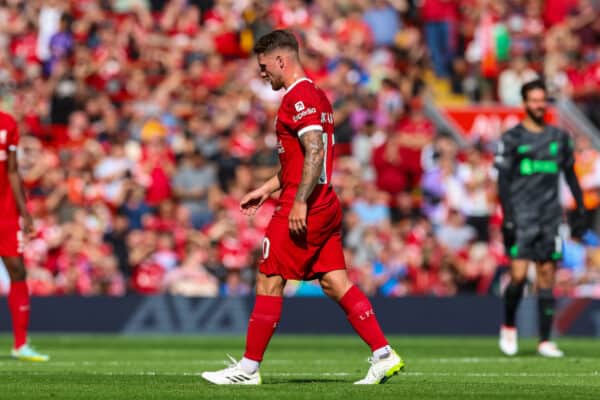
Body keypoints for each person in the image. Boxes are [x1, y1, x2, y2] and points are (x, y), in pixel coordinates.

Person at [201, 30, 404, 385]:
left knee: (268, 279)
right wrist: (266, 189)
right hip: (324, 201)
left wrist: (298, 203)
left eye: (265, 67)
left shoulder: (299, 98)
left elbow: (314, 151)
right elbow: (298, 159)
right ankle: (383, 354)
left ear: (282, 60)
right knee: (334, 282)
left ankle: (248, 369)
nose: (264, 74)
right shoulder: (316, 95)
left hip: (307, 205)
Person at [495, 79, 587, 358]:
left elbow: (570, 174)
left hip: (549, 216)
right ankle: (509, 326)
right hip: (522, 216)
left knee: (547, 274)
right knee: (519, 275)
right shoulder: (512, 138)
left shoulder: (559, 138)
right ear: (524, 103)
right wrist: (508, 216)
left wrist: (580, 207)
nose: (538, 105)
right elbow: (502, 180)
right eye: (533, 100)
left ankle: (544, 340)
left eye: (542, 100)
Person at [0, 111, 49, 361]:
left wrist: (25, 212)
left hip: (5, 213)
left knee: (18, 270)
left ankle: (20, 343)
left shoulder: (7, 123)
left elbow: (11, 170)